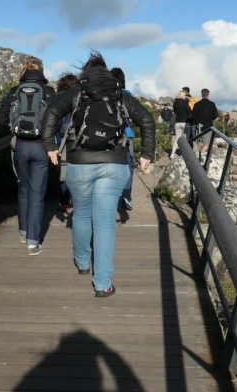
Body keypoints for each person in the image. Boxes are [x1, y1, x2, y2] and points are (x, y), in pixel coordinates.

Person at [42, 52, 155, 297]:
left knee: (81, 213)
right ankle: (103, 283)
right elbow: (146, 119)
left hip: (79, 163)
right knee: (104, 222)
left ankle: (82, 263)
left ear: (85, 72)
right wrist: (147, 154)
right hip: (114, 163)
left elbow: (51, 113)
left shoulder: (76, 93)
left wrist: (51, 147)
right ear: (106, 71)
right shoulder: (120, 94)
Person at [0, 60, 56, 256]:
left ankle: (22, 231)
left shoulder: (15, 91)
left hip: (19, 146)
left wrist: (13, 130)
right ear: (41, 73)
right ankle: (33, 242)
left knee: (23, 186)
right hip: (41, 147)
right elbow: (57, 119)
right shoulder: (48, 92)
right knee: (37, 193)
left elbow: (1, 117)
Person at [53, 72, 80, 215]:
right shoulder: (80, 98)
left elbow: (55, 123)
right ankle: (78, 202)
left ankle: (64, 203)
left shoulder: (58, 99)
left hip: (62, 140)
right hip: (78, 140)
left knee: (63, 172)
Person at [110, 67, 136, 212]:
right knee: (129, 165)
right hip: (127, 133)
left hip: (110, 135)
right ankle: (126, 195)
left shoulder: (105, 94)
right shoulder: (128, 95)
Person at [191, 88, 219, 153]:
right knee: (207, 143)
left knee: (198, 144)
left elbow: (193, 116)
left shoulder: (196, 104)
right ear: (208, 94)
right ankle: (203, 158)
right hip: (208, 127)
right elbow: (216, 117)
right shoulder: (212, 104)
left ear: (201, 94)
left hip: (198, 127)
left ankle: (199, 156)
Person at [170, 89, 192, 158]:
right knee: (186, 138)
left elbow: (175, 112)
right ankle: (184, 154)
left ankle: (172, 154)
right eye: (184, 95)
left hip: (177, 122)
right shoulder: (185, 103)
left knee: (177, 138)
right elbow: (189, 112)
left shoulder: (175, 103)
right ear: (182, 95)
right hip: (185, 122)